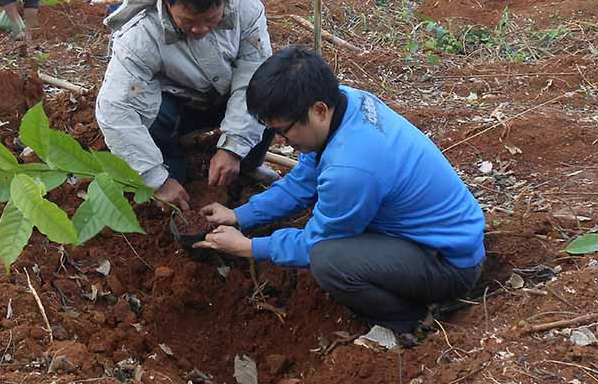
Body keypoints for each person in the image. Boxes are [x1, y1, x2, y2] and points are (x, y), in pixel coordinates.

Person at [195, 46, 486, 342]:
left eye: (284, 131)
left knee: (329, 261)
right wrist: (239, 215)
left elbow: (315, 244)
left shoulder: (351, 169)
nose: (283, 140)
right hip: (442, 237)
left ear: (318, 110)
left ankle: (409, 319)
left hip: (448, 263)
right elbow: (304, 179)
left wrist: (247, 247)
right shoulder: (346, 103)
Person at [96, 0, 279, 211]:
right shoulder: (140, 32)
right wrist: (155, 179)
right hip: (179, 104)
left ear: (224, 0)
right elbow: (114, 109)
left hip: (229, 94)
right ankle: (173, 175)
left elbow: (252, 74)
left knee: (273, 87)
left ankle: (248, 165)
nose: (201, 29)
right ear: (167, 2)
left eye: (211, 20)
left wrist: (234, 148)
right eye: (189, 21)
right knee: (152, 114)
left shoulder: (244, 5)